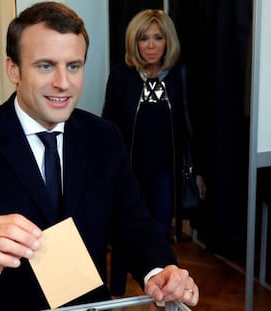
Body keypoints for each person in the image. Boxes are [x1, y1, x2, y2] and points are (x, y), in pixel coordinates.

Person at [0, 2, 199, 310]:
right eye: (45, 66)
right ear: (14, 69)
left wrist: (158, 270)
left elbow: (133, 224)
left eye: (73, 66)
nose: (63, 83)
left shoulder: (104, 137)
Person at [102, 9, 206, 297]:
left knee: (158, 233)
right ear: (134, 42)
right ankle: (117, 290)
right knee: (124, 229)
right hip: (128, 170)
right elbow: (108, 122)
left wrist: (196, 170)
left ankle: (157, 292)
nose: (150, 45)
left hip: (164, 172)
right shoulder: (122, 76)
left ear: (167, 41)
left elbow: (190, 127)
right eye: (143, 38)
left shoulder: (179, 76)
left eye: (157, 38)